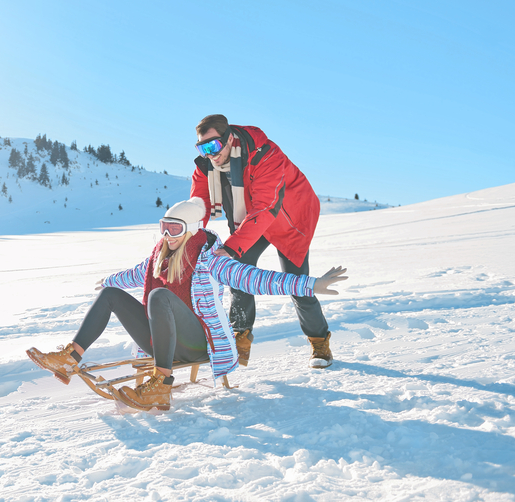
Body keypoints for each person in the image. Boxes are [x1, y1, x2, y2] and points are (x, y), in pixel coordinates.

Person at [27, 198, 347, 411]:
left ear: (191, 229)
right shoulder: (159, 257)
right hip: (163, 340)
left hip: (197, 343)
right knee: (112, 296)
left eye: (175, 229)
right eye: (164, 227)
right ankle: (70, 358)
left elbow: (256, 278)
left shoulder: (211, 260)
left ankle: (162, 383)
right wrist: (110, 280)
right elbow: (133, 274)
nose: (167, 235)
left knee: (158, 297)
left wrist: (310, 283)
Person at [190, 114, 332, 369]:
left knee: (297, 284)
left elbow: (266, 208)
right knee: (237, 273)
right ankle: (240, 336)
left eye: (213, 146)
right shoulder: (206, 166)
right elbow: (198, 206)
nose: (209, 154)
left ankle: (319, 341)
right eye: (202, 147)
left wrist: (232, 247)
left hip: (290, 220)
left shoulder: (265, 155)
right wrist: (187, 237)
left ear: (229, 137)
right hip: (248, 220)